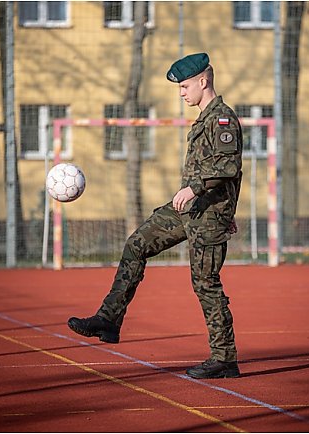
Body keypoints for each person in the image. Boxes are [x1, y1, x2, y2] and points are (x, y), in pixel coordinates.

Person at [67, 53, 243, 379]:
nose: (181, 92)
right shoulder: (204, 119)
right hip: (190, 210)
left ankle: (224, 358)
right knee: (137, 243)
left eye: (186, 85)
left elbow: (228, 168)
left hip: (207, 215)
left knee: (205, 283)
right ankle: (109, 318)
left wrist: (196, 190)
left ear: (203, 81)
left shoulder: (222, 120)